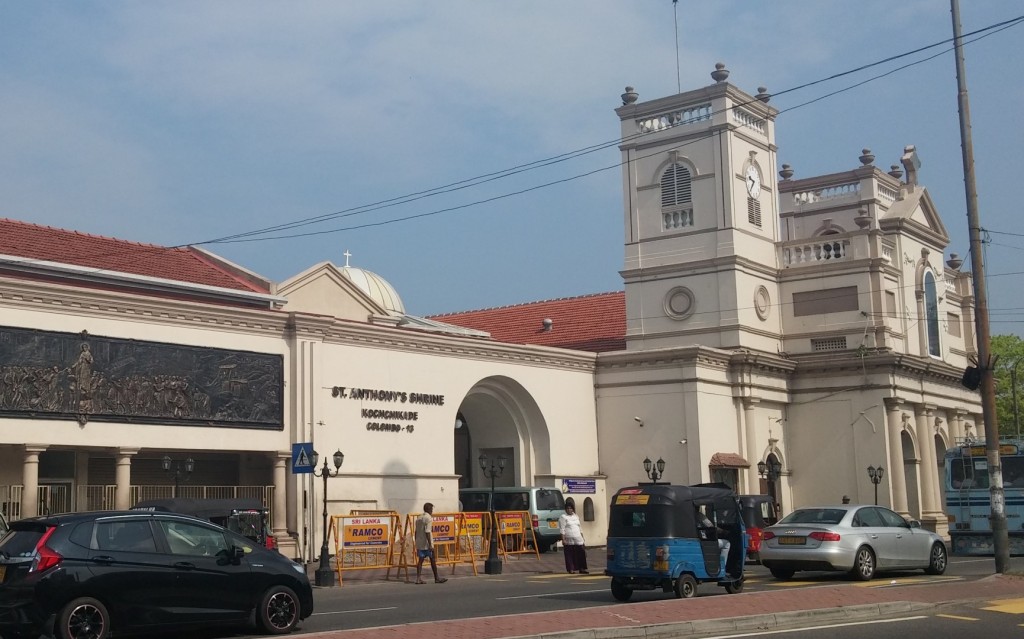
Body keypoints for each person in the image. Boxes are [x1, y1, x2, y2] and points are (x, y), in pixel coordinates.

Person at [414, 503, 447, 584]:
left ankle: (418, 578)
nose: (432, 511)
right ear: (429, 509)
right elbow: (427, 531)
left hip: (419, 542)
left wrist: (416, 541)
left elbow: (416, 531)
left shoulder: (419, 517)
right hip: (427, 543)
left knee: (420, 561)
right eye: (431, 509)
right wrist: (430, 545)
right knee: (432, 560)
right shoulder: (428, 518)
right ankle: (437, 578)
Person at [697, 509, 730, 575]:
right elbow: (710, 526)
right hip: (703, 541)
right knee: (726, 544)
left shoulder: (684, 515)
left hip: (696, 540)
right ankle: (722, 567)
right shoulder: (699, 515)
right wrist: (724, 531)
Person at [558, 502, 588, 574]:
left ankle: (582, 568)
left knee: (581, 553)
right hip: (569, 539)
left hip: (578, 538)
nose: (569, 510)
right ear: (565, 510)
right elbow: (562, 529)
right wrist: (563, 539)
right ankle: (571, 569)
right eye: (567, 508)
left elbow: (580, 528)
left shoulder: (576, 516)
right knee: (570, 555)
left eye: (570, 508)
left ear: (573, 509)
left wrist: (582, 538)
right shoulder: (563, 517)